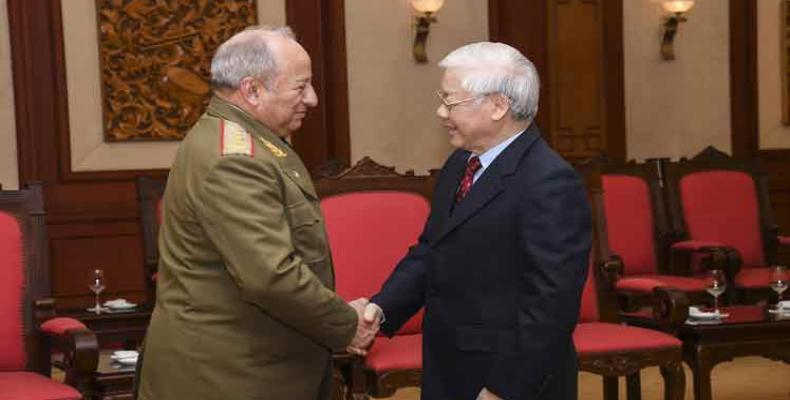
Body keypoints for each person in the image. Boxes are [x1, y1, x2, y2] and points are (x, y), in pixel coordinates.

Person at [137, 26, 376, 400]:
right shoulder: (235, 160)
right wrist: (347, 324)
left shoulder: (251, 141)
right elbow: (271, 276)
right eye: (300, 87)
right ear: (252, 90)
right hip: (231, 377)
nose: (312, 99)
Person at [359, 42, 591, 400]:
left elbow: (551, 304)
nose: (440, 111)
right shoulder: (460, 165)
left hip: (509, 380)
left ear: (498, 106)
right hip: (449, 366)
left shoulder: (549, 181)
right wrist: (381, 308)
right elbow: (432, 250)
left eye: (451, 101)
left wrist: (503, 389)